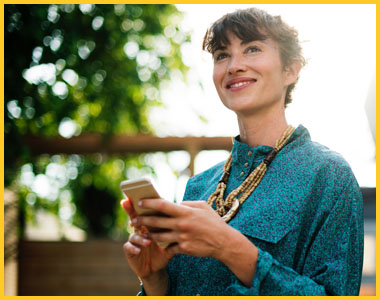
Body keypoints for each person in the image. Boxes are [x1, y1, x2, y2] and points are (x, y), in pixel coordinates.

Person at [120, 7, 364, 296]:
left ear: (291, 69)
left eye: (252, 49)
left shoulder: (329, 176)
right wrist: (154, 280)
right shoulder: (198, 187)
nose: (234, 65)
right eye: (222, 55)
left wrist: (229, 247)